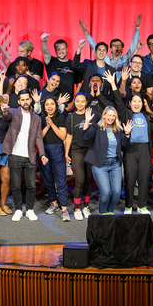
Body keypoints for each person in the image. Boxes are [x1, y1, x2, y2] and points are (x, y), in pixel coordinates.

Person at [0, 90, 48, 220]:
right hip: (15, 155)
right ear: (19, 101)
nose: (25, 102)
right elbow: (6, 116)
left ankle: (30, 209)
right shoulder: (14, 113)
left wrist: (42, 154)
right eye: (23, 99)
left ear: (30, 100)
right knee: (15, 186)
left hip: (30, 156)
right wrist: (4, 110)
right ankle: (18, 210)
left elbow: (39, 137)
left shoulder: (37, 118)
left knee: (31, 185)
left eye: (27, 99)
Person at [115, 88, 153, 214]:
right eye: (134, 101)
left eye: (139, 101)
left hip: (144, 149)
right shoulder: (127, 114)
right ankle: (128, 206)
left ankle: (142, 206)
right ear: (129, 103)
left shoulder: (146, 115)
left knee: (144, 179)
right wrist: (113, 85)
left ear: (142, 103)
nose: (136, 104)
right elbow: (118, 102)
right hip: (131, 150)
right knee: (129, 179)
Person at [81, 106, 125, 215]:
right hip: (100, 164)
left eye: (113, 116)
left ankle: (109, 212)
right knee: (106, 192)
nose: (111, 118)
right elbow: (85, 137)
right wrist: (87, 121)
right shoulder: (97, 127)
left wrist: (127, 134)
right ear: (104, 115)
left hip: (115, 164)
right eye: (109, 115)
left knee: (116, 193)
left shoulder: (118, 130)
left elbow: (124, 145)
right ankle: (102, 214)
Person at [65, 92, 99, 220]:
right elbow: (69, 136)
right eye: (77, 101)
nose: (80, 104)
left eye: (82, 101)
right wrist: (66, 153)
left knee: (89, 180)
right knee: (80, 180)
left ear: (86, 102)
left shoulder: (93, 115)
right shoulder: (71, 117)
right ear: (74, 102)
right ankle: (77, 209)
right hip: (77, 151)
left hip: (90, 151)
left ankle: (85, 207)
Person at [39, 97, 70, 221]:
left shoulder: (61, 118)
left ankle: (64, 209)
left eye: (52, 104)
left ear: (56, 106)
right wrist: (46, 126)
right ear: (44, 107)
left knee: (61, 181)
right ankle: (54, 203)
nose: (50, 106)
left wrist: (52, 124)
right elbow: (39, 137)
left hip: (57, 149)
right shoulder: (40, 119)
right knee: (48, 179)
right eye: (47, 104)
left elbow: (63, 136)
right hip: (44, 150)